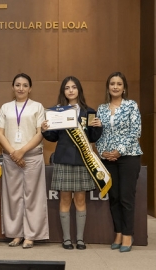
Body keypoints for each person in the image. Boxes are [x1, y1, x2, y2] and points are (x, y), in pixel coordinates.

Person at [42, 76, 102, 250]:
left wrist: (98, 126)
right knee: (65, 199)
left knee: (81, 199)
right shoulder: (56, 112)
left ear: (79, 90)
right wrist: (45, 130)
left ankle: (80, 239)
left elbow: (92, 137)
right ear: (63, 91)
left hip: (82, 160)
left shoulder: (89, 112)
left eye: (73, 87)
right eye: (67, 87)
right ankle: (67, 239)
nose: (70, 90)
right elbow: (53, 138)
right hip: (63, 159)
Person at [0, 73, 49, 249]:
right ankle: (16, 234)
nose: (21, 88)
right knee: (13, 196)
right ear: (13, 87)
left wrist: (22, 151)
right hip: (11, 157)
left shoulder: (38, 107)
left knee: (33, 196)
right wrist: (13, 153)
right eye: (17, 85)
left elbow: (40, 132)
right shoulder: (5, 107)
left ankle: (31, 235)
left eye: (25, 85)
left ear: (30, 88)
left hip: (32, 156)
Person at [95, 72, 143, 252]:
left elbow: (135, 132)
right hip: (108, 158)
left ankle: (128, 235)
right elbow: (98, 134)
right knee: (114, 197)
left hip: (129, 157)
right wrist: (103, 152)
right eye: (112, 84)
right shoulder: (101, 109)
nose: (115, 87)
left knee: (126, 197)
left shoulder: (131, 106)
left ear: (124, 88)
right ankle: (118, 232)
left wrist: (119, 151)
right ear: (108, 87)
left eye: (119, 84)